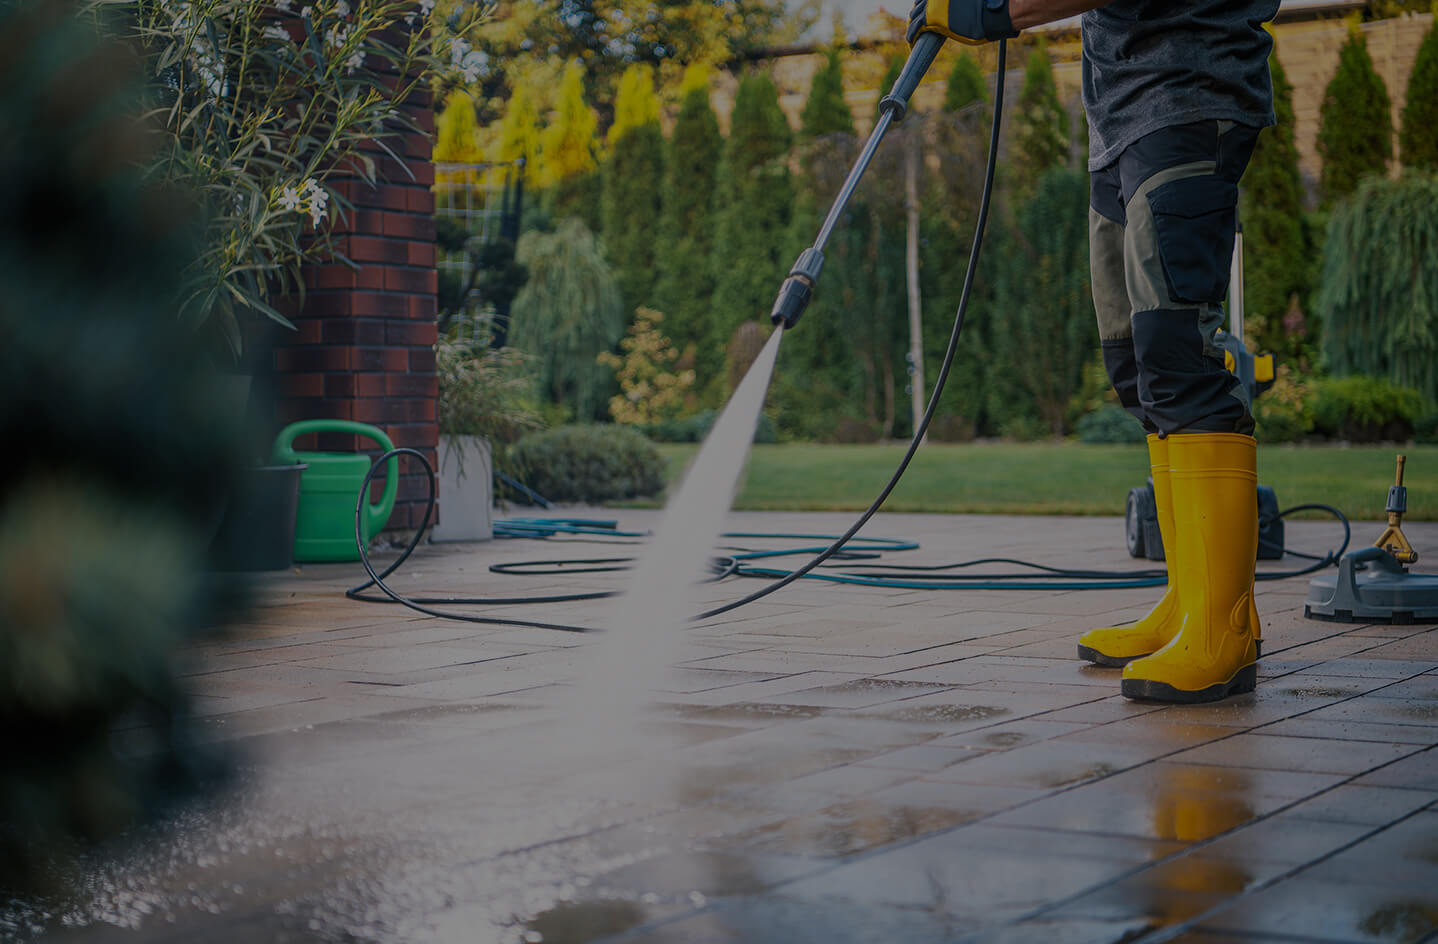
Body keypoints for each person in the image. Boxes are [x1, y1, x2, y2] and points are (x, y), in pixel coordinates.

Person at [908, 0, 1279, 703]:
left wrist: (989, 10)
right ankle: (1188, 603)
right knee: (1136, 362)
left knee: (1178, 354)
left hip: (1186, 97)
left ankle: (1225, 628)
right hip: (1123, 122)